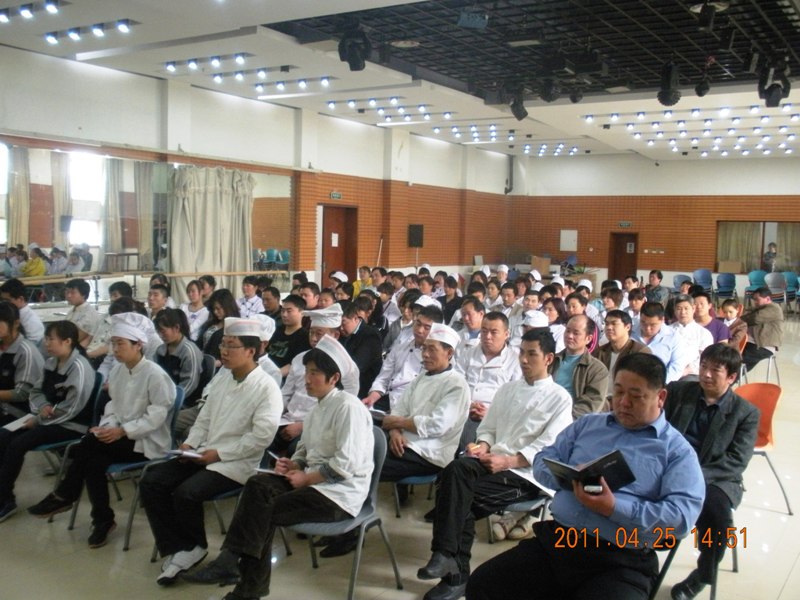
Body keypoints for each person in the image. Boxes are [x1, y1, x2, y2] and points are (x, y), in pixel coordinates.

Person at [465, 353, 706, 600]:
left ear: (661, 397)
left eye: (636, 396)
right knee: (483, 585)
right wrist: (568, 477)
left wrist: (613, 507)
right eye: (618, 392)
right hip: (560, 541)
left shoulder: (676, 451)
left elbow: (681, 518)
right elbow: (543, 460)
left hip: (621, 558)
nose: (623, 402)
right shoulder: (588, 425)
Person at [184, 337, 374, 599]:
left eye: (315, 373)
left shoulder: (348, 408)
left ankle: (243, 581)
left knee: (263, 510)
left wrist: (307, 478)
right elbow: (306, 450)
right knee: (257, 484)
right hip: (315, 482)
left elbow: (346, 465)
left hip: (339, 495)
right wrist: (295, 463)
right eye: (306, 372)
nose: (307, 379)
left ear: (334, 378)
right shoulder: (318, 407)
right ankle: (235, 569)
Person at [417, 329, 573, 600]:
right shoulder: (508, 390)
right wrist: (483, 445)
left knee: (456, 499)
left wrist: (509, 460)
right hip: (493, 461)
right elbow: (488, 428)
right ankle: (447, 561)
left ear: (548, 358)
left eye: (531, 354)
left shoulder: (559, 398)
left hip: (525, 473)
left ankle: (452, 571)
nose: (523, 360)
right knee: (454, 470)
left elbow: (549, 446)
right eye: (521, 352)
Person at [140, 317, 283, 585]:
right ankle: (180, 547)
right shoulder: (223, 378)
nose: (224, 352)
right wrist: (189, 444)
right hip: (204, 452)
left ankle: (195, 546)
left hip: (236, 463)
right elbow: (204, 418)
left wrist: (219, 454)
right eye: (222, 345)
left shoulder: (267, 388)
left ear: (251, 351)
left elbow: (261, 438)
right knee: (152, 481)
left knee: (187, 492)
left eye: (231, 346)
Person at [28, 312, 176, 549]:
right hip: (119, 437)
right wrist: (107, 427)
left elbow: (157, 417)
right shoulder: (118, 371)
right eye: (113, 343)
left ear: (138, 345)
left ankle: (66, 494)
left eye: (120, 344)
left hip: (146, 441)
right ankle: (103, 520)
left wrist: (123, 431)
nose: (115, 350)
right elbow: (114, 407)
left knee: (87, 444)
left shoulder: (155, 375)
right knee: (94, 462)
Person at [664, 344, 759, 600]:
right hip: (670, 465)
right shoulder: (679, 391)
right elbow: (657, 427)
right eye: (703, 366)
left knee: (717, 516)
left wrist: (694, 477)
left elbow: (736, 461)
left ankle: (703, 574)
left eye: (715, 370)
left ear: (731, 377)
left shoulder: (745, 413)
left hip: (715, 476)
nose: (705, 374)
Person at [0, 321, 95, 522]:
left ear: (67, 341)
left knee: (18, 444)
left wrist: (39, 419)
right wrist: (41, 408)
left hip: (70, 424)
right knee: (4, 435)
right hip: (46, 418)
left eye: (51, 339)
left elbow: (72, 408)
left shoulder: (79, 367)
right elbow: (35, 392)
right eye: (46, 338)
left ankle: (4, 499)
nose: (46, 343)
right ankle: (4, 492)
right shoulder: (51, 363)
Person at [273, 305, 359, 458]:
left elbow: (339, 410)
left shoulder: (345, 367)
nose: (313, 338)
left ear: (335, 335)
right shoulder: (300, 359)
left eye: (319, 334)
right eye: (311, 332)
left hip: (319, 427)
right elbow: (285, 395)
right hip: (286, 420)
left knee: (295, 450)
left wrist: (302, 426)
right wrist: (272, 415)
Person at [454, 311, 521, 442]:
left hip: (493, 414)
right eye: (484, 331)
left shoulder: (514, 361)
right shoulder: (469, 353)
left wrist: (490, 414)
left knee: (471, 433)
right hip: (463, 407)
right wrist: (468, 405)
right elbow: (456, 382)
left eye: (494, 332)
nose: (487, 337)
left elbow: (515, 398)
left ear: (506, 334)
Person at [551, 315, 609, 419]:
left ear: (588, 338)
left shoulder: (597, 370)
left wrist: (563, 420)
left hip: (572, 421)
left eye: (576, 333)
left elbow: (590, 404)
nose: (569, 336)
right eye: (568, 331)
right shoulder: (551, 361)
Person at [0, 302, 45, 426]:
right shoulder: (3, 345)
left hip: (19, 413)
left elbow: (22, 393)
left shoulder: (26, 352)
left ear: (16, 323)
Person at [593, 309, 651, 399]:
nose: (609, 327)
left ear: (627, 327)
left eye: (614, 323)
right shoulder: (599, 351)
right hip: (600, 400)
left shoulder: (640, 352)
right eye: (607, 324)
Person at [634, 301, 691, 383]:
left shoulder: (673, 337)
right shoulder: (630, 332)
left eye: (653, 325)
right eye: (643, 323)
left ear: (662, 320)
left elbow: (676, 368)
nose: (647, 328)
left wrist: (658, 383)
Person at [339, 302, 383, 398]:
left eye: (343, 323)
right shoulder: (341, 333)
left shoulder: (370, 335)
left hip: (362, 389)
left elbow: (356, 366)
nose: (341, 328)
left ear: (355, 318)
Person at [740, 287, 783, 372]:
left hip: (763, 346)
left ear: (768, 299)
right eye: (754, 300)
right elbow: (745, 318)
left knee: (735, 360)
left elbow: (755, 318)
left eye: (757, 299)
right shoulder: (759, 308)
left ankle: (729, 378)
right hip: (752, 343)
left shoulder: (774, 308)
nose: (755, 302)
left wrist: (739, 320)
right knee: (729, 355)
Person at [267, 294, 311, 377]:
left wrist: (274, 376)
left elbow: (294, 365)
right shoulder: (276, 331)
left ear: (302, 313)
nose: (284, 314)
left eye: (289, 311)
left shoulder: (305, 337)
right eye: (283, 311)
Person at [197, 289, 241, 368]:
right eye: (214, 309)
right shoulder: (211, 323)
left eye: (218, 309)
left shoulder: (235, 327)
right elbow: (199, 343)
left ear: (227, 307)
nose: (215, 312)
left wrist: (220, 362)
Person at [0, 278, 45, 346]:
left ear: (21, 299)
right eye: (2, 300)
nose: (3, 304)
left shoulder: (32, 323)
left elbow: (29, 349)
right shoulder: (6, 315)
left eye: (7, 301)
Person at [64, 278, 101, 347]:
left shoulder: (88, 315)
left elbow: (74, 339)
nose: (68, 296)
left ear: (83, 295)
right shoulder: (73, 310)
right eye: (67, 292)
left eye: (72, 293)